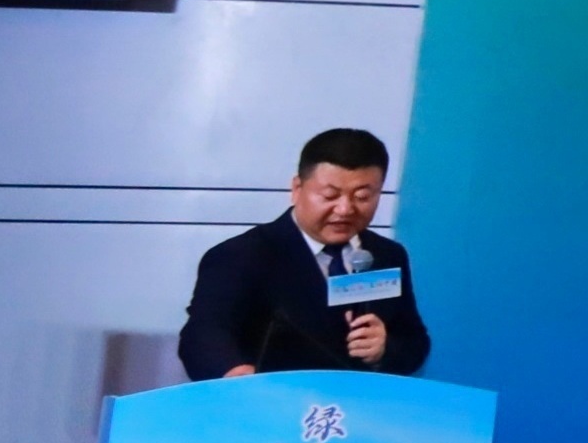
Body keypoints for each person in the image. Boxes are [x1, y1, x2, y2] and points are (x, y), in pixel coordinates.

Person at [180, 127, 431, 380]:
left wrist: (385, 349)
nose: (345, 209)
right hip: (275, 398)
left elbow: (414, 340)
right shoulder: (241, 255)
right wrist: (234, 372)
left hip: (360, 400)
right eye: (330, 196)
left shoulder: (387, 255)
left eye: (362, 197)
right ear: (297, 188)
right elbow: (203, 334)